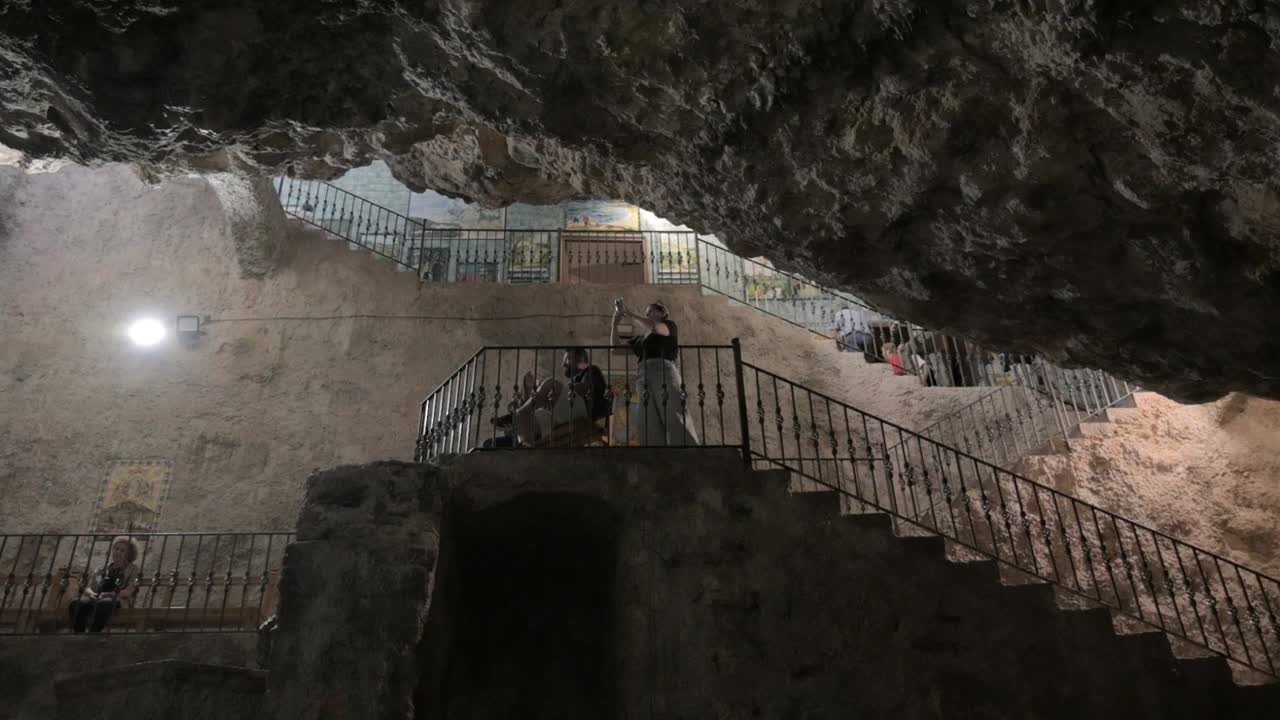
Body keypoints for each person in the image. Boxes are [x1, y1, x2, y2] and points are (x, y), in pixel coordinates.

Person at [611, 299, 700, 446]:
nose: (648, 314)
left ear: (662, 313)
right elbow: (615, 349)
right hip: (643, 374)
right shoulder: (641, 339)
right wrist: (614, 323)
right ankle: (654, 457)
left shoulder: (669, 326)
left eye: (652, 311)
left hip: (663, 370)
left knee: (674, 413)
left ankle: (688, 454)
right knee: (647, 421)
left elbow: (655, 328)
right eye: (647, 312)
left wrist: (629, 313)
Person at [510, 348, 611, 447]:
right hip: (571, 411)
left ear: (580, 358)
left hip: (586, 410)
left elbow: (584, 388)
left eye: (567, 359)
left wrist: (554, 393)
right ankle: (524, 438)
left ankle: (518, 413)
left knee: (551, 384)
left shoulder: (592, 370)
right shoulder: (573, 380)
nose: (564, 364)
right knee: (538, 414)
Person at [68, 536, 140, 633]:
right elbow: (88, 586)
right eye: (116, 549)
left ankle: (93, 634)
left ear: (129, 554)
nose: (118, 552)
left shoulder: (133, 569)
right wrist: (91, 594)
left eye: (122, 550)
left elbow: (129, 591)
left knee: (104, 604)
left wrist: (109, 594)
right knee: (75, 603)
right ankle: (79, 633)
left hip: (116, 599)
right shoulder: (102, 568)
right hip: (95, 597)